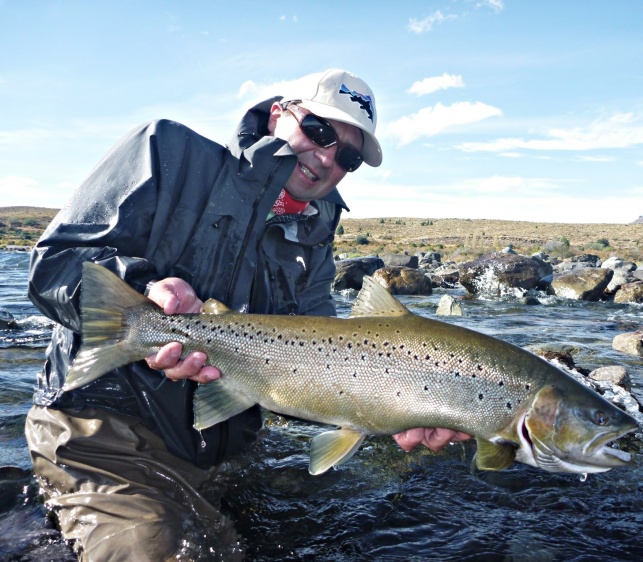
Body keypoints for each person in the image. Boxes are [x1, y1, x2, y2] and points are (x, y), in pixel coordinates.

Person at [25, 68, 470, 561]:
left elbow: (315, 372)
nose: (326, 157)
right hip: (102, 436)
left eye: (347, 156)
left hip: (222, 455)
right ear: (279, 114)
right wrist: (145, 288)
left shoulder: (315, 240)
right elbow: (53, 267)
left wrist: (391, 407)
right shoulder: (169, 152)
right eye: (319, 131)